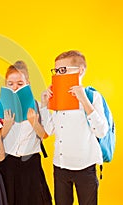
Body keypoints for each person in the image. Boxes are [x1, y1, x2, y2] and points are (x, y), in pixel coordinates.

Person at [40, 50, 109, 205]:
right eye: (56, 71)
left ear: (80, 71)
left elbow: (102, 131)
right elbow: (48, 130)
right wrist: (45, 105)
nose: (58, 75)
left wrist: (84, 100)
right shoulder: (57, 97)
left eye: (62, 70)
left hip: (85, 167)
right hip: (60, 166)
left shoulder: (92, 97)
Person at [0, 61, 52, 205]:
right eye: (11, 84)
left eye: (20, 84)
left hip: (30, 162)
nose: (15, 87)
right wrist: (7, 126)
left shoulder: (39, 106)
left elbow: (44, 135)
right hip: (7, 162)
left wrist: (34, 121)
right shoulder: (1, 108)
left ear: (27, 83)